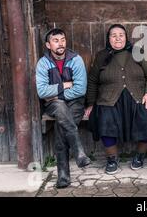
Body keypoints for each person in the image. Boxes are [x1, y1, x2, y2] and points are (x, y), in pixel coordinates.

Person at [85, 24, 147, 174]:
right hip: (108, 99)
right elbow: (92, 81)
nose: (118, 38)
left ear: (126, 37)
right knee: (104, 118)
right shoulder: (101, 56)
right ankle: (112, 158)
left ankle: (139, 155)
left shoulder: (137, 52)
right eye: (114, 35)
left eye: (121, 35)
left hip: (138, 97)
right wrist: (91, 104)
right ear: (108, 39)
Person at [36, 28, 91, 189]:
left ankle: (63, 176)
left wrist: (56, 93)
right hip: (53, 105)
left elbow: (80, 90)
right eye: (55, 40)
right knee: (60, 107)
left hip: (76, 103)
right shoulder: (43, 63)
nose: (60, 44)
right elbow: (42, 92)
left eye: (62, 40)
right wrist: (65, 85)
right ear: (48, 44)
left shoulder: (76, 60)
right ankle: (79, 151)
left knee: (61, 125)